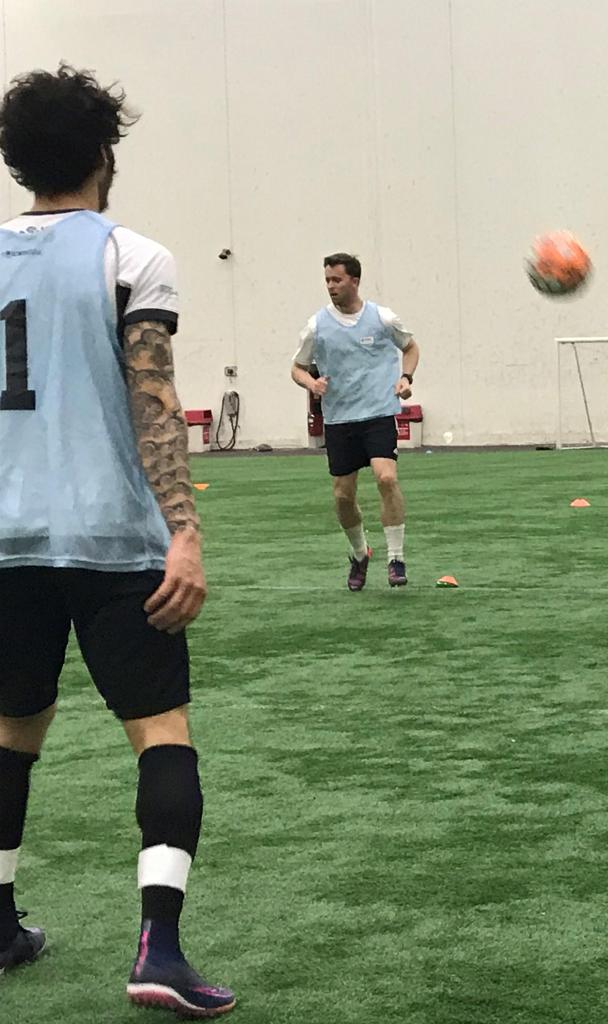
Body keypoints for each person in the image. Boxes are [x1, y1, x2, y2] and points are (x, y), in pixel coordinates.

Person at [0, 65, 234, 1016]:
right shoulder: (134, 255)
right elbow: (155, 401)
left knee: (11, 732)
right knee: (160, 735)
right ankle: (159, 951)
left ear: (18, 162)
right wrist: (185, 531)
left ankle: (0, 922)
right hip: (110, 536)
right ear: (105, 152)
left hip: (5, 539)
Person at [291, 254, 420, 590]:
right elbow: (297, 368)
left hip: (379, 413)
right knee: (343, 497)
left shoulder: (382, 318)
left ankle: (396, 558)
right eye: (327, 280)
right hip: (340, 420)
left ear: (355, 281)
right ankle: (361, 554)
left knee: (386, 478)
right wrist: (312, 384)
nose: (331, 286)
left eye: (337, 279)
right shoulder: (317, 325)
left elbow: (411, 348)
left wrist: (405, 378)